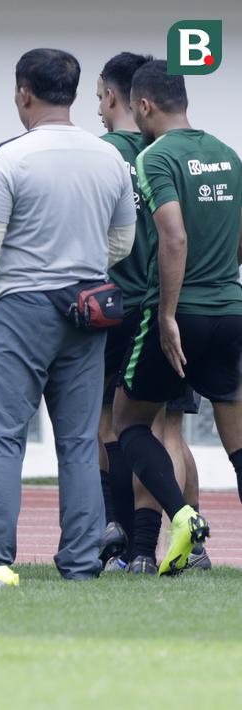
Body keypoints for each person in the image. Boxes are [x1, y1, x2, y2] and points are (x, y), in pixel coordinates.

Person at [0, 48, 133, 584]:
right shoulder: (110, 160)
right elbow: (122, 242)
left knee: (5, 437)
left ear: (23, 92)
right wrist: (84, 261)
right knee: (78, 442)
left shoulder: (12, 156)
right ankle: (80, 562)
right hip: (87, 307)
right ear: (73, 93)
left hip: (22, 306)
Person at [113, 59, 241, 576]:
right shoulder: (228, 155)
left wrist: (167, 314)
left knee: (127, 421)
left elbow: (173, 236)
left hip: (179, 313)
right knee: (237, 443)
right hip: (231, 309)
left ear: (143, 105)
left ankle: (183, 515)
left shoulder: (155, 157)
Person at [94, 53, 208, 574]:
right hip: (187, 301)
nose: (98, 109)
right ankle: (194, 544)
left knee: (116, 427)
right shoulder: (187, 152)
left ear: (120, 98)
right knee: (172, 431)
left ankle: (130, 544)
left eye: (99, 97)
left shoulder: (110, 157)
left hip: (131, 305)